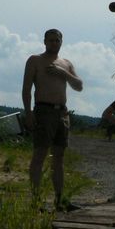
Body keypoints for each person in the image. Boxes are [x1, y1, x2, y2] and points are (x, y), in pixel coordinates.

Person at [22, 28, 83, 211]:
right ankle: (36, 201)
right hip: (43, 110)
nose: (54, 43)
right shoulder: (35, 60)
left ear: (61, 42)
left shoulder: (66, 63)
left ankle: (60, 200)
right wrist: (28, 113)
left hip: (62, 113)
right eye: (50, 40)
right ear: (44, 42)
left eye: (57, 40)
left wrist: (63, 73)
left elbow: (79, 86)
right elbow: (26, 89)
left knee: (59, 157)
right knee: (39, 155)